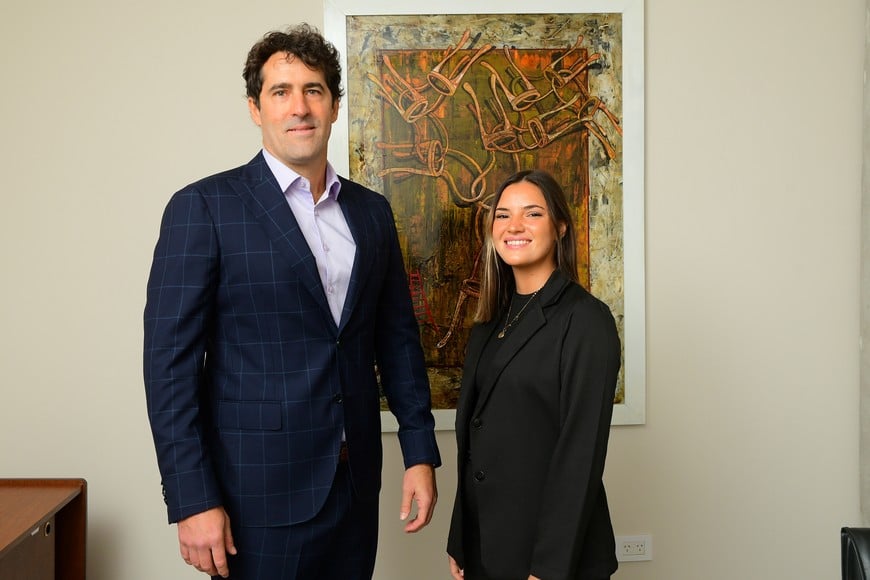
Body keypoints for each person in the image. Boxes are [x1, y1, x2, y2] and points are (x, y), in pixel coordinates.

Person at [143, 23, 440, 580]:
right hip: (254, 496)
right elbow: (169, 371)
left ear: (332, 106)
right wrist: (190, 499)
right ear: (256, 108)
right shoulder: (204, 208)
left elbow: (397, 342)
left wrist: (419, 452)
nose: (299, 107)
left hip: (355, 490)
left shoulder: (371, 213)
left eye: (314, 90)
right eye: (281, 92)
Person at [446, 170, 621, 580]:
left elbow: (580, 457)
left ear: (560, 227)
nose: (514, 227)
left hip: (549, 559)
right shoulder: (490, 320)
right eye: (503, 216)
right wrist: (461, 537)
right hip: (487, 547)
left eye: (533, 214)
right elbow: (475, 438)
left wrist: (548, 569)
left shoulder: (586, 321)